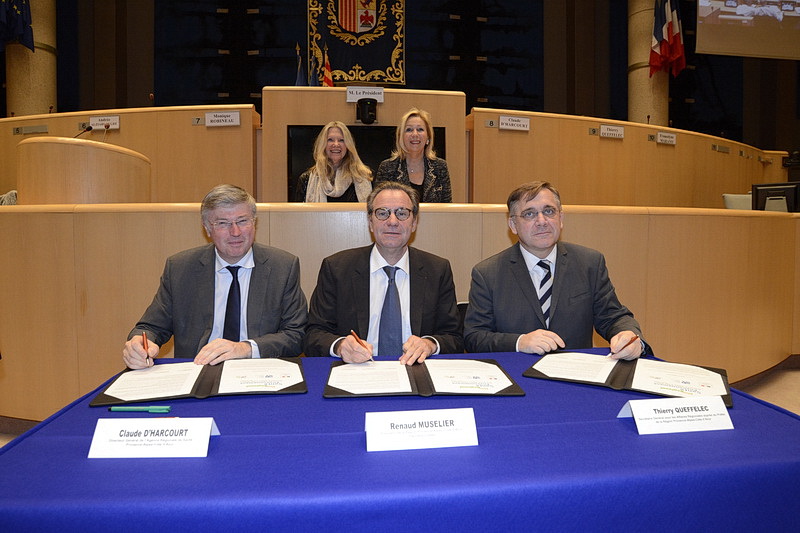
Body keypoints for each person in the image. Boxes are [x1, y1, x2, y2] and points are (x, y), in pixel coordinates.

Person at [122, 184, 308, 369]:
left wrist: (245, 348)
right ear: (207, 228)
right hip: (198, 369)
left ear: (254, 222)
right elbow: (150, 327)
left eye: (242, 221)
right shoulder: (180, 268)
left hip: (258, 371)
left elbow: (296, 334)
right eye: (222, 223)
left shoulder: (282, 267)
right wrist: (139, 343)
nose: (235, 232)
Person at [464, 181, 650, 360]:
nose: (542, 221)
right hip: (515, 374)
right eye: (529, 214)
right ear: (513, 225)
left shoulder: (589, 263)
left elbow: (614, 317)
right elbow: (474, 338)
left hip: (576, 377)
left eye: (549, 211)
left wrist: (630, 337)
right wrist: (520, 342)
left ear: (560, 219)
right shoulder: (488, 274)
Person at [304, 181, 463, 364]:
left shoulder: (437, 270)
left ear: (414, 223)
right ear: (371, 222)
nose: (392, 221)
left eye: (402, 213)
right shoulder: (337, 268)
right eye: (382, 213)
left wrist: (430, 344)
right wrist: (340, 346)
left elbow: (455, 338)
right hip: (357, 371)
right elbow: (313, 335)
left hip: (417, 370)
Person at [374, 108, 452, 203]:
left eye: (420, 129)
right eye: (409, 130)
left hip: (434, 218)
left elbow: (446, 208)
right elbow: (379, 205)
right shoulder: (387, 168)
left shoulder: (440, 167)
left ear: (428, 137)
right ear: (401, 137)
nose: (415, 134)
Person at [294, 121, 373, 202]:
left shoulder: (363, 178)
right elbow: (299, 214)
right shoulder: (305, 180)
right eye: (330, 140)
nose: (336, 144)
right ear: (323, 144)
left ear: (348, 145)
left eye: (341, 140)